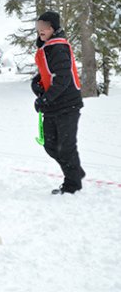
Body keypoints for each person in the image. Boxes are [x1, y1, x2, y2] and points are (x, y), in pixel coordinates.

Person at [32, 11, 85, 194]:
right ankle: (75, 171)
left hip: (67, 105)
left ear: (53, 28)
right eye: (38, 27)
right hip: (54, 106)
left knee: (65, 147)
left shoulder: (58, 48)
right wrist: (37, 83)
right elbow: (48, 73)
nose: (41, 30)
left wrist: (45, 99)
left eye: (44, 26)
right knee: (50, 145)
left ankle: (72, 185)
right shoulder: (48, 48)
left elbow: (62, 79)